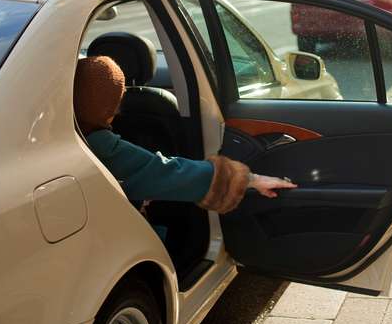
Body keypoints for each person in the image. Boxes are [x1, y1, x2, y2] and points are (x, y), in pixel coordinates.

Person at [74, 56, 297, 214]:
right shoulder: (100, 146)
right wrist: (251, 179)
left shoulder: (64, 135)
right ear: (107, 107)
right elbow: (170, 172)